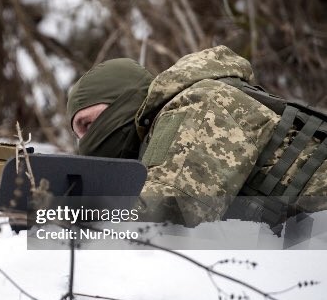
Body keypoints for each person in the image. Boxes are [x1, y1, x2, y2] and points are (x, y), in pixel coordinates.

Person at [66, 45, 327, 233]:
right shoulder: (162, 140)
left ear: (124, 101)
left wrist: (55, 214)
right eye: (78, 134)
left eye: (89, 124)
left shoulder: (200, 103)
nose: (85, 142)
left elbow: (165, 216)